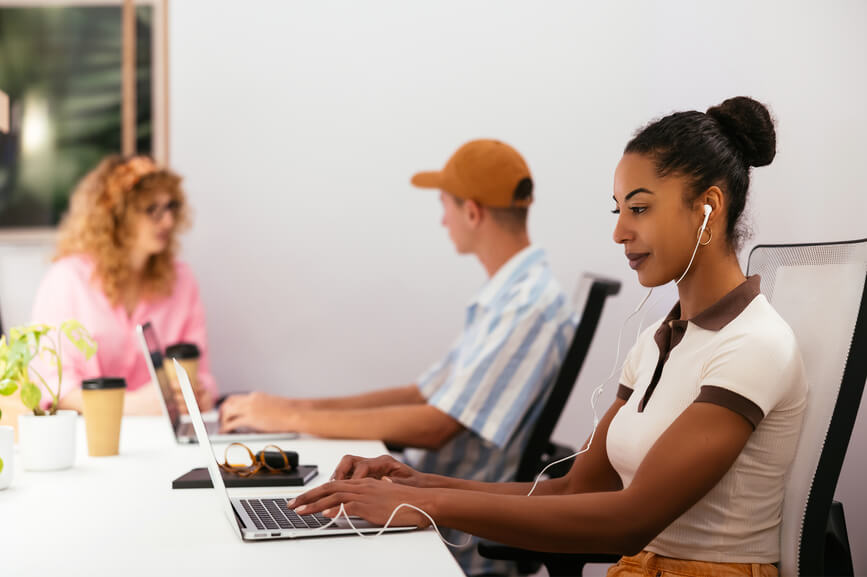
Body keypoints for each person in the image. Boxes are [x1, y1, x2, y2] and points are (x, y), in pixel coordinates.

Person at [288, 97, 808, 577]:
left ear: (708, 208)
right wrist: (414, 483)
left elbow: (630, 520)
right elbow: (574, 487)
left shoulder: (754, 345)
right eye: (618, 209)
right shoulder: (656, 341)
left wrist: (429, 506)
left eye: (640, 208)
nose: (619, 231)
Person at [220, 139, 576, 575]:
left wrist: (290, 419)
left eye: (445, 204)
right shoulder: (505, 300)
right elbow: (422, 393)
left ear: (472, 212)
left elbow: (436, 426)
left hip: (451, 538)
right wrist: (293, 408)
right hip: (428, 510)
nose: (441, 219)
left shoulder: (529, 307)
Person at [29, 155, 217, 415]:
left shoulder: (182, 281)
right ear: (116, 216)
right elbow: (51, 384)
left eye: (171, 207)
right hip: (92, 439)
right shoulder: (68, 280)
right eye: (153, 210)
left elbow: (203, 374)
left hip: (164, 439)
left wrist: (199, 396)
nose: (168, 222)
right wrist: (130, 406)